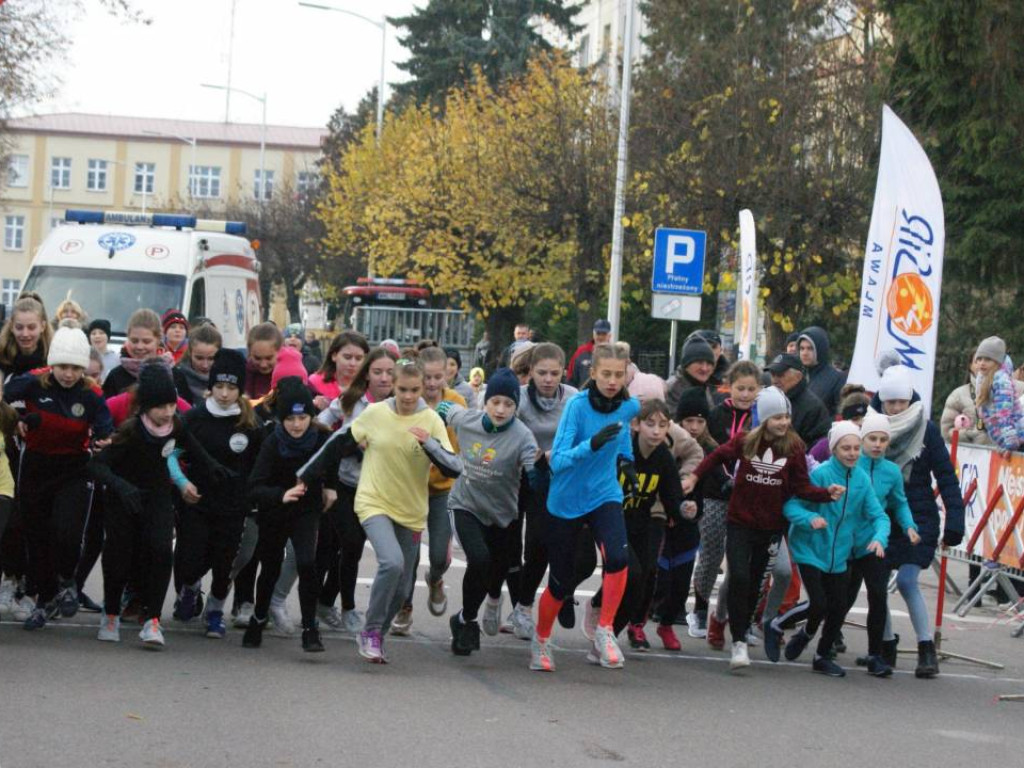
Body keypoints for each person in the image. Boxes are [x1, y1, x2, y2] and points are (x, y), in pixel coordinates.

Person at [296, 358, 461, 664]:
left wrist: (431, 446)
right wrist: (305, 475)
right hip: (373, 500)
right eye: (402, 389)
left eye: (414, 390)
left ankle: (376, 634)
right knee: (392, 562)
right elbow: (336, 444)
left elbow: (454, 467)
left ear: (423, 387)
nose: (408, 396)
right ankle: (371, 630)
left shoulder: (431, 420)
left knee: (402, 588)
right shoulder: (375, 414)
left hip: (411, 510)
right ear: (393, 387)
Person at [682, 387, 842, 672]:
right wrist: (695, 476)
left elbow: (800, 487)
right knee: (739, 576)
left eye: (786, 417)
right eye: (777, 417)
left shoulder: (794, 448)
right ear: (764, 418)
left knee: (756, 583)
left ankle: (742, 630)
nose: (783, 423)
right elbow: (717, 455)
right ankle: (738, 643)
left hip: (771, 527)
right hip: (740, 522)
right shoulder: (746, 441)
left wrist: (825, 493)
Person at [89, 360, 227, 648]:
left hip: (158, 497)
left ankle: (152, 621)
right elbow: (98, 467)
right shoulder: (130, 432)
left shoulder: (175, 425)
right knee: (118, 556)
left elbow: (192, 448)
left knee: (162, 552)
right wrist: (122, 487)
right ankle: (110, 613)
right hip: (124, 499)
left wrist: (213, 467)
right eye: (160, 407)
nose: (167, 413)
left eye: (171, 405)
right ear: (146, 406)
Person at [530, 343, 640, 672]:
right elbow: (559, 461)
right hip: (566, 500)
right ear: (592, 374)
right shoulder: (577, 407)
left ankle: (604, 631)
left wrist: (627, 464)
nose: (611, 380)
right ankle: (541, 638)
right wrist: (590, 446)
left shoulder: (628, 407)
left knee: (619, 559)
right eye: (605, 374)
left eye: (618, 375)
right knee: (562, 581)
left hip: (604, 493)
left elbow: (621, 439)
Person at [4, 327, 114, 629]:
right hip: (37, 468)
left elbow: (105, 427)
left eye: (75, 368)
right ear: (53, 364)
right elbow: (5, 398)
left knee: (65, 532)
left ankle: (67, 579)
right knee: (37, 537)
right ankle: (45, 599)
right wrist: (19, 420)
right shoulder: (33, 382)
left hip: (74, 470)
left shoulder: (90, 394)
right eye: (63, 367)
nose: (68, 374)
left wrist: (104, 439)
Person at [768, 422, 888, 677]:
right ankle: (777, 624)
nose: (853, 453)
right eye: (846, 448)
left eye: (856, 448)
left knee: (838, 606)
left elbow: (879, 515)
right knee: (819, 603)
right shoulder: (821, 474)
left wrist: (879, 538)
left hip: (840, 554)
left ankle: (821, 655)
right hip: (810, 547)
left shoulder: (862, 479)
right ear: (834, 449)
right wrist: (809, 519)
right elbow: (791, 507)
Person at [873, 362, 965, 678]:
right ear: (882, 402)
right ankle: (885, 645)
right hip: (881, 517)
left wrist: (956, 518)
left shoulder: (926, 430)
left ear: (911, 399)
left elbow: (946, 477)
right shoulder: (873, 429)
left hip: (919, 516)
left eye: (902, 402)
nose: (896, 408)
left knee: (908, 580)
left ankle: (927, 648)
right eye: (890, 402)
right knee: (876, 583)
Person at [440, 369, 539, 656]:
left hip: (502, 514)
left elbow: (533, 470)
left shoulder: (523, 437)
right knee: (479, 559)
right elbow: (445, 408)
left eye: (508, 404)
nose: (501, 409)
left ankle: (461, 619)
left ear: (516, 407)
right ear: (485, 402)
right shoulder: (467, 419)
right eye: (495, 401)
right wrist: (431, 416)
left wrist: (539, 476)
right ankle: (470, 622)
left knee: (492, 570)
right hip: (465, 504)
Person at [170, 349, 263, 639]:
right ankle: (190, 588)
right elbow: (172, 455)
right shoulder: (194, 418)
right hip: (196, 501)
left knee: (224, 564)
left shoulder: (250, 422)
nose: (224, 394)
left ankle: (214, 611)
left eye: (231, 388)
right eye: (219, 386)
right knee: (190, 558)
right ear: (211, 386)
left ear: (240, 389)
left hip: (234, 506)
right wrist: (183, 483)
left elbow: (260, 464)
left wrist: (253, 496)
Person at [241, 377, 334, 653]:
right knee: (269, 566)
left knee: (307, 562)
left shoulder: (321, 438)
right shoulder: (271, 443)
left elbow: (337, 454)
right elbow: (254, 486)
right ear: (281, 418)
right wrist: (279, 495)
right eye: (290, 419)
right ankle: (258, 618)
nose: (297, 425)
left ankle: (309, 628)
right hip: (275, 510)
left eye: (303, 417)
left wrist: (331, 487)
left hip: (306, 510)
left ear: (310, 416)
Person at [311, 348, 397, 633]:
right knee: (345, 543)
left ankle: (328, 600)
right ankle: (345, 607)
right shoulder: (350, 400)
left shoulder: (402, 404)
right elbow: (319, 424)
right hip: (344, 483)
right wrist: (348, 443)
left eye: (389, 372)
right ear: (367, 374)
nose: (384, 378)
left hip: (378, 488)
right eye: (377, 372)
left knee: (353, 548)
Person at [391, 346, 466, 634]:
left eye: (439, 377)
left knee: (439, 555)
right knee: (407, 554)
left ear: (448, 375)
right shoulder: (409, 400)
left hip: (443, 489)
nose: (433, 384)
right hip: (411, 487)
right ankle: (404, 606)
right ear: (420, 377)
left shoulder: (456, 402)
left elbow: (464, 443)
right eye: (429, 378)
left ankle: (435, 579)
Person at [509, 343, 577, 639]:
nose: (548, 379)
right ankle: (511, 603)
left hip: (555, 477)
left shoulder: (573, 398)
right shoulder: (520, 399)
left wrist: (555, 455)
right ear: (530, 373)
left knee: (546, 543)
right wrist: (531, 454)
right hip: (518, 475)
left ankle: (550, 597)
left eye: (554, 373)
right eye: (541, 373)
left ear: (564, 371)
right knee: (516, 549)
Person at [692, 360, 761, 643]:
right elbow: (713, 451)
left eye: (751, 389)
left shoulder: (761, 418)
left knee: (741, 562)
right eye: (740, 388)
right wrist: (725, 480)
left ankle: (735, 619)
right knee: (710, 553)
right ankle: (698, 609)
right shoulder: (717, 414)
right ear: (729, 387)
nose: (745, 394)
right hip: (715, 493)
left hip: (748, 498)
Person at [103, 309, 193, 404]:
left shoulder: (175, 376)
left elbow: (185, 414)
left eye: (146, 341)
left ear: (158, 340)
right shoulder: (116, 376)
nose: (140, 347)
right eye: (134, 341)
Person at [967, 337, 1024, 454]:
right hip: (1005, 440)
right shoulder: (983, 379)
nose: (982, 362)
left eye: (988, 359)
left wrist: (1010, 442)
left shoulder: (1001, 381)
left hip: (1017, 438)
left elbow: (1004, 414)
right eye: (979, 358)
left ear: (997, 362)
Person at [766, 353, 830, 445]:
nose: (775, 379)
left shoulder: (813, 407)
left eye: (780, 374)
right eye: (772, 374)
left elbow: (817, 447)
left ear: (798, 377)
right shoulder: (767, 401)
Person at [309, 331, 369, 412]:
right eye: (347, 357)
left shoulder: (370, 386)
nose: (353, 363)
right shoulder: (314, 383)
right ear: (334, 356)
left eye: (358, 359)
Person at [797, 327, 847, 417]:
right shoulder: (796, 376)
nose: (804, 353)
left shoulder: (837, 378)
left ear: (820, 349)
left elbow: (841, 414)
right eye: (802, 348)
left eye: (810, 348)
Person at [0, 295, 53, 380]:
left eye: (31, 327)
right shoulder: (2, 356)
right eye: (19, 327)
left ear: (43, 326)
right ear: (11, 326)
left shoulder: (54, 359)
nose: (25, 334)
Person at [665, 336, 716, 416]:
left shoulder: (701, 385)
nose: (704, 368)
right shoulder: (673, 388)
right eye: (699, 362)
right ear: (686, 365)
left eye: (709, 363)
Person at [175, 323, 222, 402]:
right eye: (199, 358)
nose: (205, 365)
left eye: (211, 358)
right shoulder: (177, 378)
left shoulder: (229, 379)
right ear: (190, 353)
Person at [567, 318, 612, 388]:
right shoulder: (581, 351)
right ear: (593, 334)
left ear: (609, 336)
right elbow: (570, 377)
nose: (600, 337)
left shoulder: (615, 354)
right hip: (583, 396)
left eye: (604, 334)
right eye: (598, 333)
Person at [245, 322, 282, 400]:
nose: (263, 365)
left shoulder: (289, 376)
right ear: (249, 353)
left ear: (280, 352)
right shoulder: (243, 375)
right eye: (257, 358)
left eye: (269, 358)